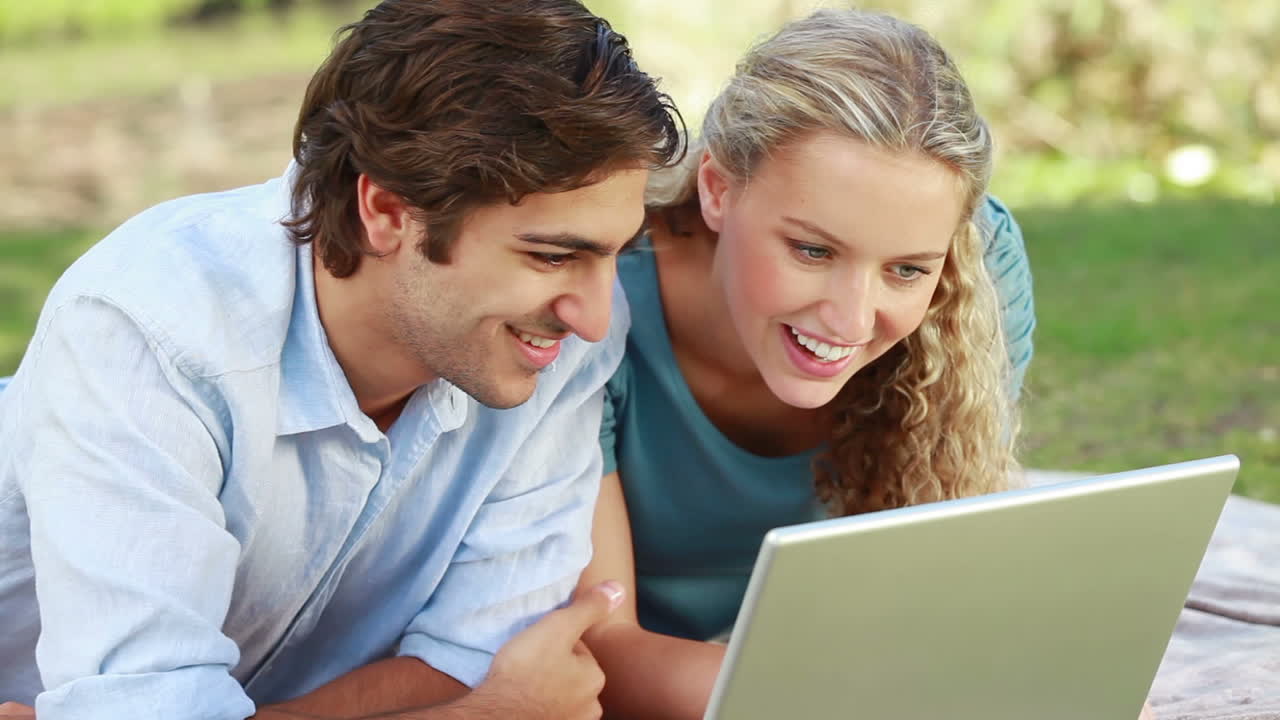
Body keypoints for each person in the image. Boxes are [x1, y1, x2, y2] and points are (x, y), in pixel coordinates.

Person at [0, 1, 683, 718]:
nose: (597, 316)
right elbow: (495, 697)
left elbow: (479, 655)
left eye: (614, 252)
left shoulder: (558, 341)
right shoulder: (155, 329)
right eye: (551, 255)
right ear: (386, 211)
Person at [576, 8, 1039, 719]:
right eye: (813, 251)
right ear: (718, 189)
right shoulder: (594, 296)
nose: (852, 321)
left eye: (907, 270)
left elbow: (943, 586)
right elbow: (598, 651)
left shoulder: (976, 267)